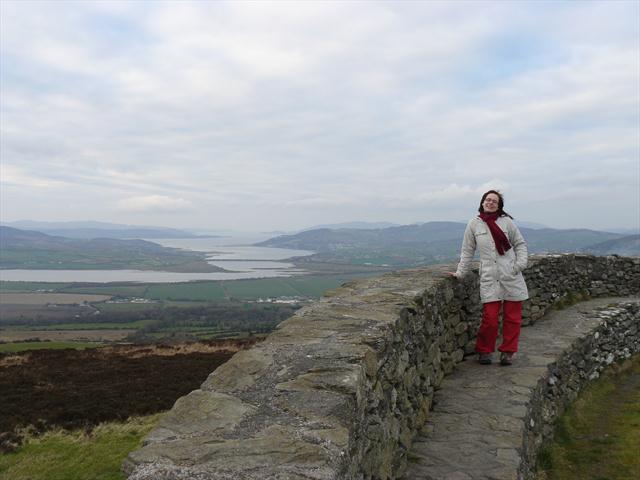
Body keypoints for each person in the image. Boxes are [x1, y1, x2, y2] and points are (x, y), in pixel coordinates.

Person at [447, 190, 529, 366]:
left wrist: (519, 265)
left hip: (511, 275)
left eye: (494, 201)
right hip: (489, 277)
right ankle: (485, 351)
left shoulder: (507, 222)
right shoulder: (474, 224)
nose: (490, 203)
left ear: (499, 206)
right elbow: (467, 251)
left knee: (512, 318)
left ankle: (508, 352)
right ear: (482, 203)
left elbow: (520, 244)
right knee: (490, 319)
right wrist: (460, 273)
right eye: (487, 200)